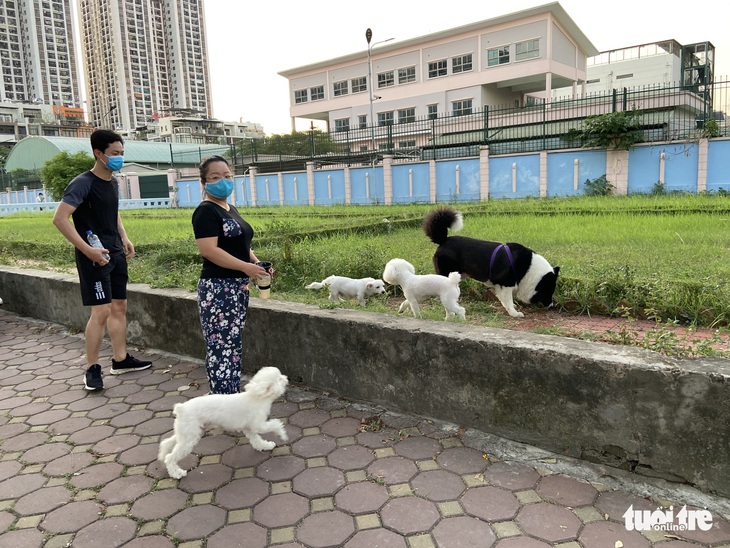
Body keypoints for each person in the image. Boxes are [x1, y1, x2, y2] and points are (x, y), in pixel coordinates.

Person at [52, 129, 152, 391]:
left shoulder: (112, 182)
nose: (119, 158)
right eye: (114, 154)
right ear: (98, 153)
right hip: (94, 258)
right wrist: (88, 250)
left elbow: (113, 213)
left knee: (119, 306)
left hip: (115, 253)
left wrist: (124, 237)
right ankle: (92, 368)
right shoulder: (82, 183)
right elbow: (60, 219)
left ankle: (120, 360)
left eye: (121, 153)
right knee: (101, 312)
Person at [192, 155, 270, 394]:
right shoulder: (206, 212)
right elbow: (209, 251)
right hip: (218, 289)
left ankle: (230, 395)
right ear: (204, 183)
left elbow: (241, 245)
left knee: (232, 344)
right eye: (215, 177)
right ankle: (222, 399)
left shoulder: (229, 208)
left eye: (227, 176)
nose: (223, 181)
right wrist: (246, 268)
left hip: (237, 288)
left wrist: (256, 264)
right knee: (221, 346)